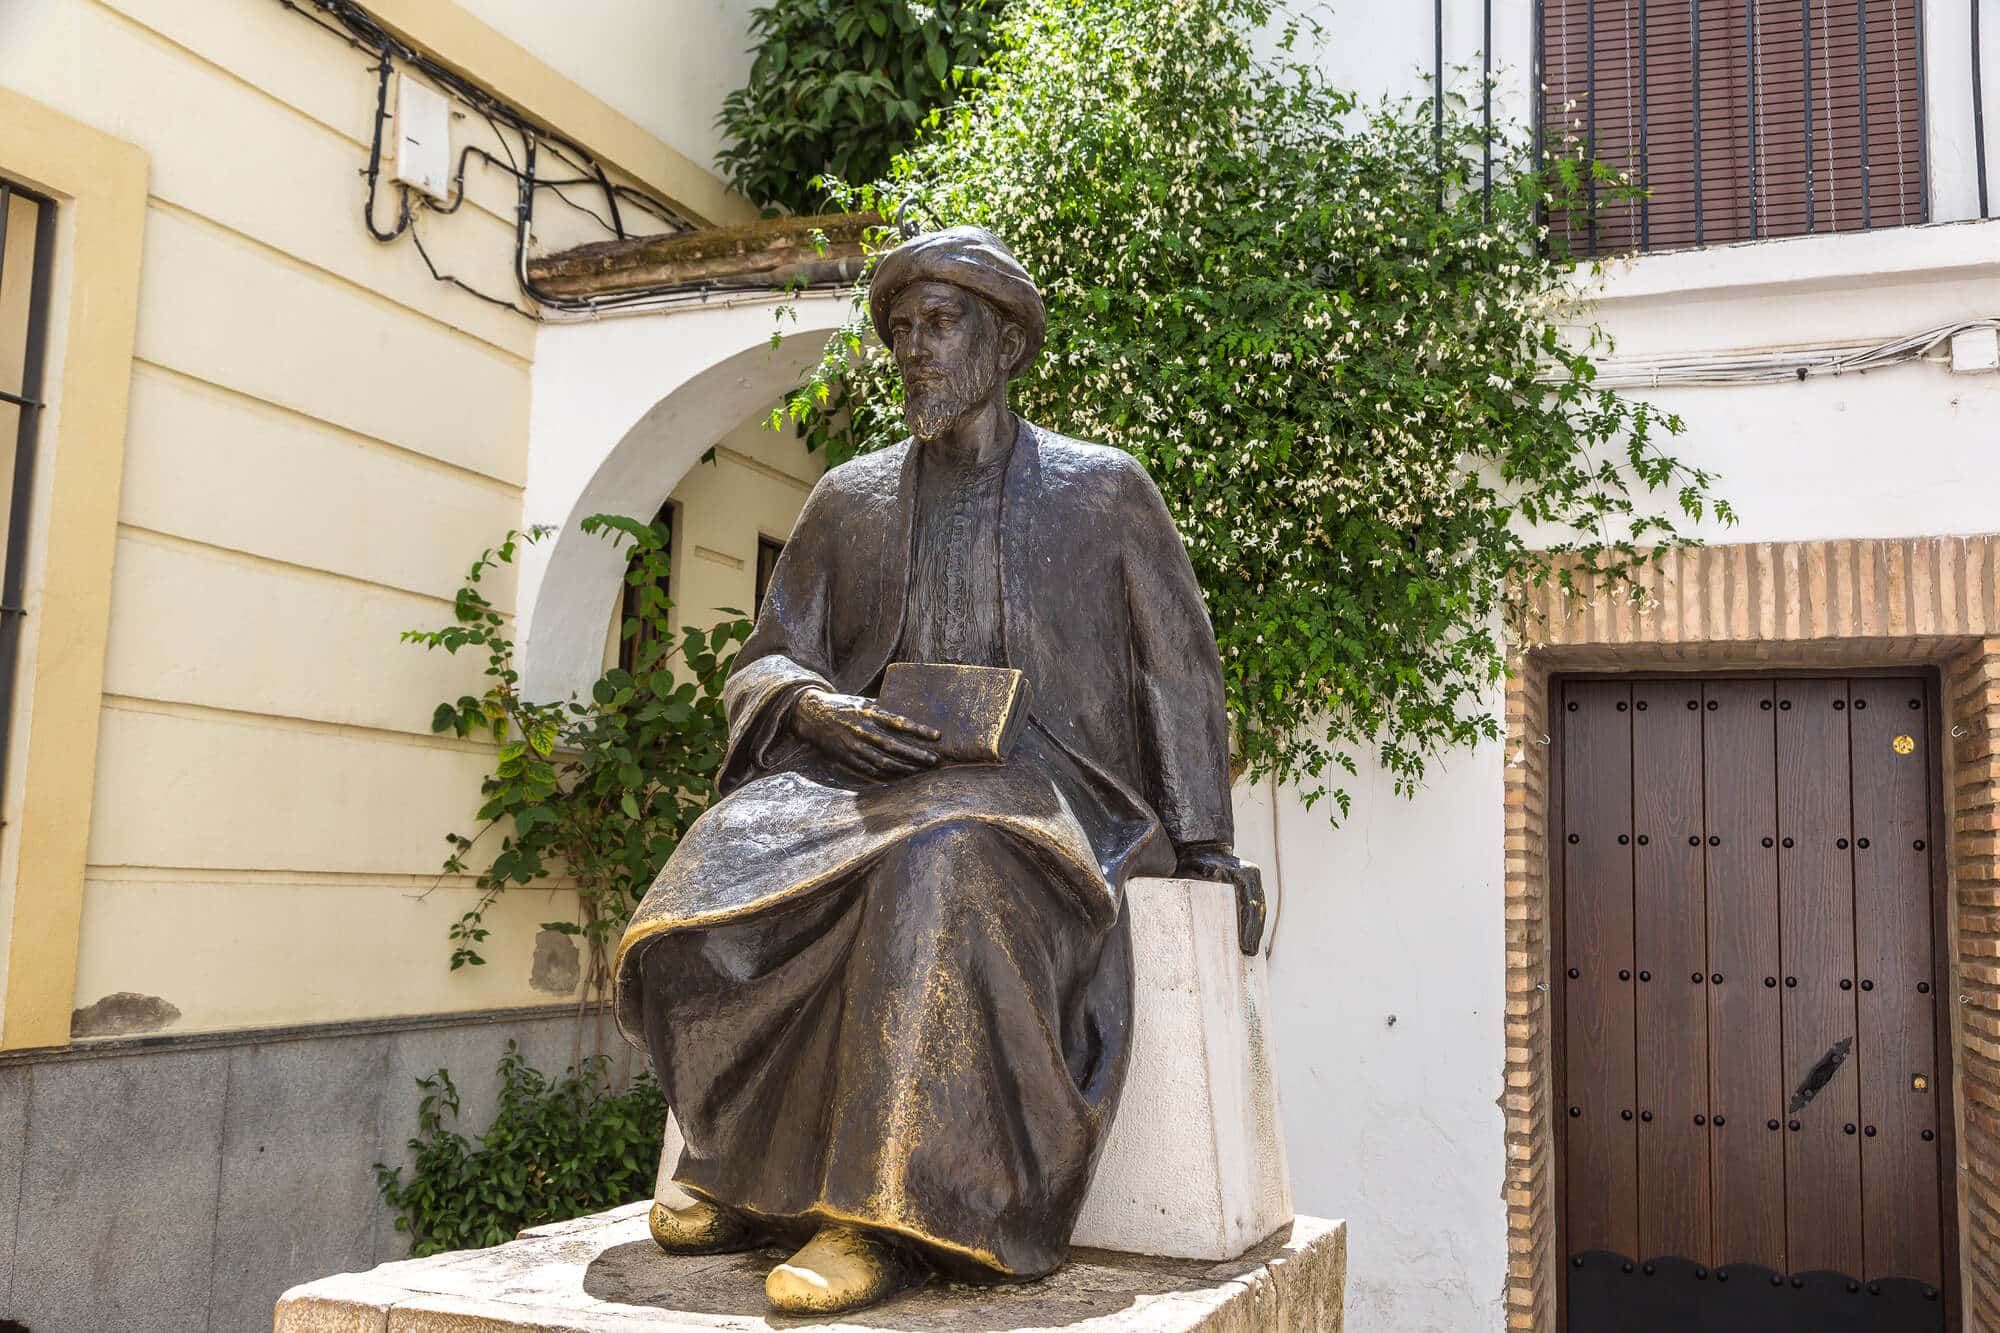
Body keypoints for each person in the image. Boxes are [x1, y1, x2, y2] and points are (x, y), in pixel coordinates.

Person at [613, 226, 1263, 1316]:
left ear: (1003, 343)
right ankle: (747, 1170)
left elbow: (1177, 673)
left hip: (1054, 797)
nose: (915, 348)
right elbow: (768, 656)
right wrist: (817, 706)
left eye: (940, 324)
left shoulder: (1103, 491)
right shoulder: (849, 500)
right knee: (725, 857)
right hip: (873, 780)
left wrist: (1205, 844)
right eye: (900, 330)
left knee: (943, 856)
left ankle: (877, 1214)